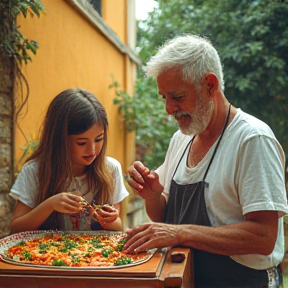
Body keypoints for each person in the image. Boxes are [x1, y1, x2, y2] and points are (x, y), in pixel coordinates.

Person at [124, 34, 288, 288]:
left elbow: (264, 237)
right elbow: (162, 216)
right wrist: (151, 196)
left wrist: (180, 233)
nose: (168, 108)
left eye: (177, 96)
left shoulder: (252, 139)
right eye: (164, 97)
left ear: (210, 85)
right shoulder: (181, 139)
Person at [10, 88, 129, 233]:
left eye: (99, 139)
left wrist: (108, 220)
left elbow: (118, 228)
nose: (92, 150)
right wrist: (50, 205)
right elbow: (15, 230)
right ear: (59, 139)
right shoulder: (35, 171)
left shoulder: (110, 170)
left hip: (97, 254)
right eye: (81, 142)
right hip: (47, 254)